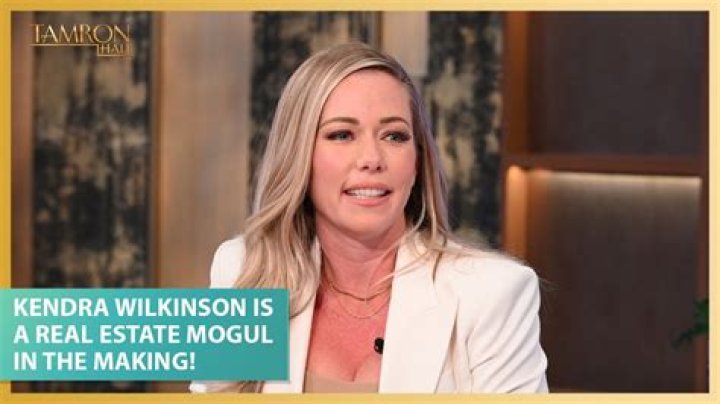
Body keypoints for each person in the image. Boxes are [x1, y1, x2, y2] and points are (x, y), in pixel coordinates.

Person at [189, 42, 548, 393]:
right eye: (342, 135)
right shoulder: (244, 270)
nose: (372, 159)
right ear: (298, 155)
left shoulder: (492, 293)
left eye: (394, 136)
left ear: (417, 161)